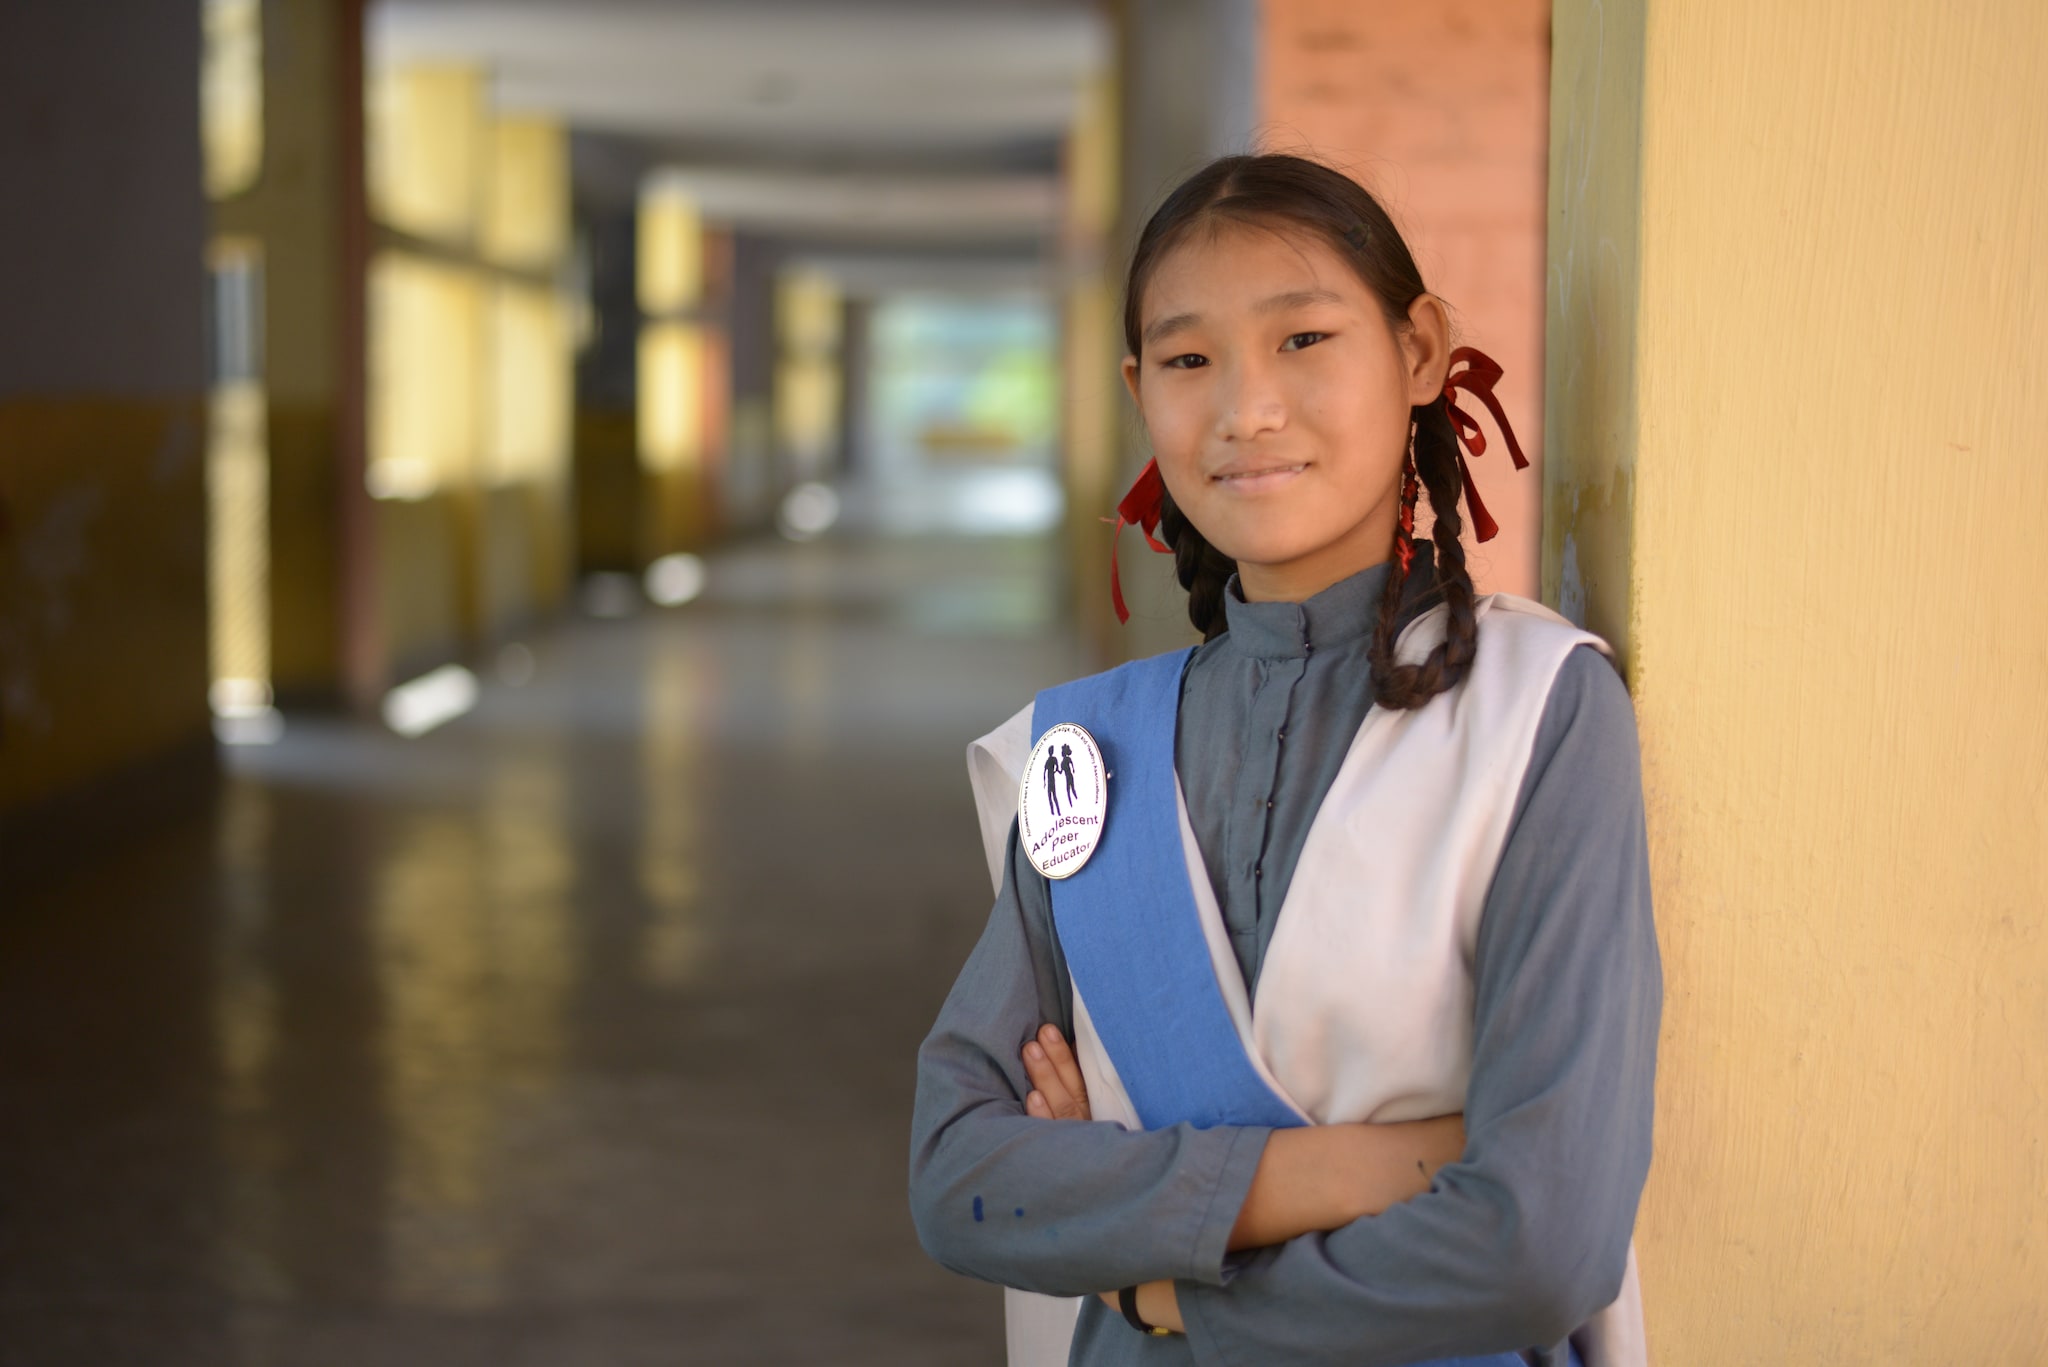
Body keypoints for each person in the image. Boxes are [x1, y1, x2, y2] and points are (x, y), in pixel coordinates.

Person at [909, 153, 1661, 1367]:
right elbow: (960, 1178)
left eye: (1302, 338)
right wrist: (1374, 1165)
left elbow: (1537, 1243)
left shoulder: (1539, 710)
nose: (1245, 408)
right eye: (1187, 360)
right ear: (1138, 391)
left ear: (1419, 351)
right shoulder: (1085, 751)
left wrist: (1151, 1271)